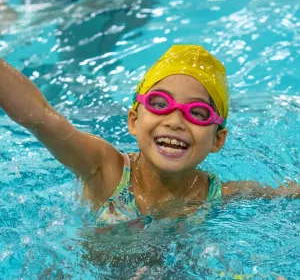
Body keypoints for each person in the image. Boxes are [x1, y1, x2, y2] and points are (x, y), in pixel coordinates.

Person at [0, 45, 299, 227]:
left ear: (218, 139)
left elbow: (284, 194)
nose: (175, 120)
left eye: (197, 113)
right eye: (159, 104)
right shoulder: (105, 169)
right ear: (133, 120)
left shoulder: (216, 194)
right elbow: (38, 117)